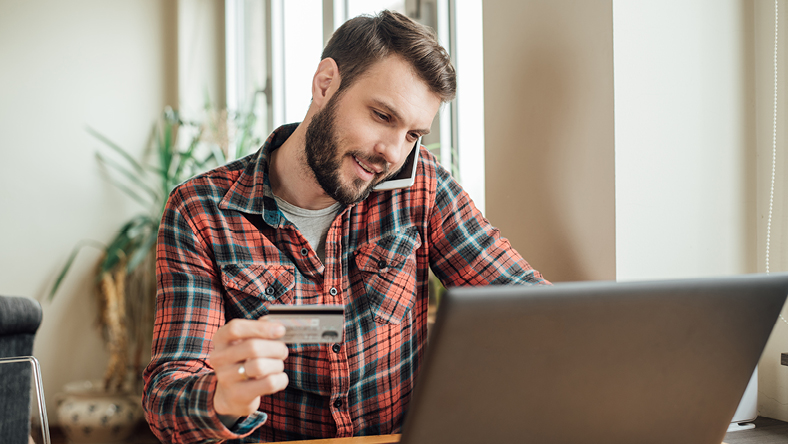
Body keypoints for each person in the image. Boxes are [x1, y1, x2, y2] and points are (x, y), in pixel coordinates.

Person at [142, 10, 548, 443]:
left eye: (413, 134)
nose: (392, 153)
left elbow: (524, 303)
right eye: (382, 116)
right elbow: (168, 392)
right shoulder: (201, 211)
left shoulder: (419, 184)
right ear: (325, 84)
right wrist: (221, 399)